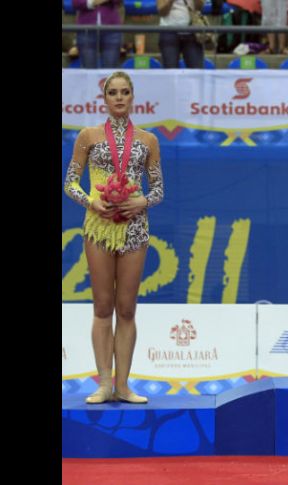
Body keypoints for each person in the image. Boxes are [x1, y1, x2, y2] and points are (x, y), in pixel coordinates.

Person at [64, 71, 165, 404]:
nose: (119, 98)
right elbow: (70, 183)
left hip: (135, 227)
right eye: (113, 93)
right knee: (103, 306)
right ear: (104, 98)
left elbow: (160, 188)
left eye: (124, 92)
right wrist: (91, 201)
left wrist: (144, 200)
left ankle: (123, 386)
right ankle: (104, 384)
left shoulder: (148, 140)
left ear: (132, 96)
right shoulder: (88, 136)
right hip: (99, 227)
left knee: (126, 309)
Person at [72, 0, 123, 69]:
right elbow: (76, 3)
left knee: (110, 69)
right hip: (86, 30)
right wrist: (92, 2)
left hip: (111, 29)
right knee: (88, 69)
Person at [157, 0, 205, 68]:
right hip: (169, 31)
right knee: (170, 71)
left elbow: (200, 7)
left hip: (192, 32)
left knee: (196, 71)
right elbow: (162, 12)